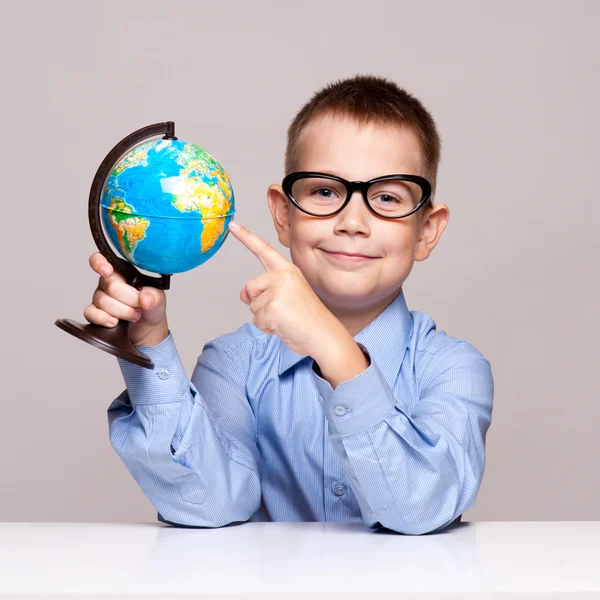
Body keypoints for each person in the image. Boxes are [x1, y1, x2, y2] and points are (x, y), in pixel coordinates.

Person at [87, 74, 494, 535]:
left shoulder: (456, 369)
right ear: (283, 214)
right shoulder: (234, 363)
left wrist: (332, 347)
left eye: (386, 197)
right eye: (325, 192)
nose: (353, 221)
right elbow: (209, 503)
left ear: (427, 231)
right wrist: (149, 341)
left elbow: (419, 508)